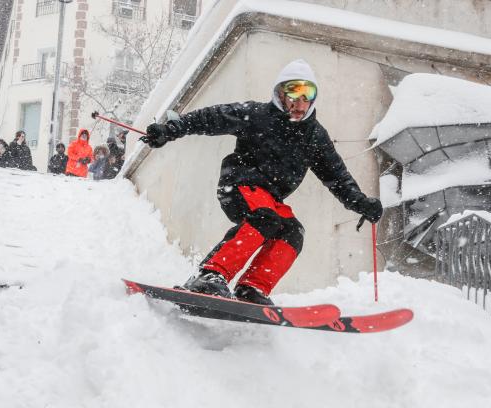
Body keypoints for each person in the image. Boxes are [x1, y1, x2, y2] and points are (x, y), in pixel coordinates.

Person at [141, 59, 383, 305]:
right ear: (280, 93)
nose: (299, 103)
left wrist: (362, 203)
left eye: (306, 95)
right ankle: (209, 275)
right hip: (240, 183)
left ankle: (252, 287)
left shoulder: (315, 137)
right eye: (293, 93)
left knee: (292, 232)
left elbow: (337, 176)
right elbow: (211, 118)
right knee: (265, 217)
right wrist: (172, 129)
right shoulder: (256, 115)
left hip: (271, 198)